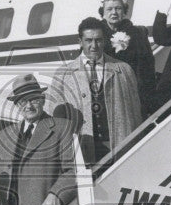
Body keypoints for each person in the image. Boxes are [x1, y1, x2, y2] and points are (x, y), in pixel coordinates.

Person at [0, 74, 77, 205]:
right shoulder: (3, 136)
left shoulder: (62, 128)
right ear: (17, 105)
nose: (28, 106)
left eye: (33, 99)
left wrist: (56, 194)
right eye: (22, 101)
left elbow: (73, 170)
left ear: (43, 99)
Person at [50, 17, 142, 163]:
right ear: (80, 41)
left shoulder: (124, 69)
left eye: (98, 40)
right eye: (88, 40)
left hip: (119, 148)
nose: (94, 46)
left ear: (104, 40)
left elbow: (136, 113)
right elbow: (53, 117)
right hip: (82, 151)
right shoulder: (63, 74)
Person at [100, 0, 156, 118]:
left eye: (118, 8)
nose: (114, 12)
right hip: (107, 93)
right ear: (103, 12)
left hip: (133, 91)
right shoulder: (97, 35)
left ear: (124, 11)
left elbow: (147, 67)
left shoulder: (137, 33)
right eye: (109, 9)